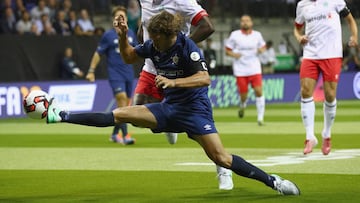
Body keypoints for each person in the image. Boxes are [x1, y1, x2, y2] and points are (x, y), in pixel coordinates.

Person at [46, 11, 300, 196]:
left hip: (195, 111)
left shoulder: (187, 47)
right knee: (120, 114)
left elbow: (204, 78)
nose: (152, 41)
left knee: (221, 157)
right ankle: (62, 115)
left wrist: (173, 82)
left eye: (156, 37)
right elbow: (127, 57)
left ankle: (274, 182)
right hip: (168, 108)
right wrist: (123, 36)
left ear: (169, 35)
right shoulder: (154, 44)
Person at [137, 0, 233, 191]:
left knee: (201, 128)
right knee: (137, 114)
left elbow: (208, 26)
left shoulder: (182, 1)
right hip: (152, 67)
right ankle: (170, 119)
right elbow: (143, 27)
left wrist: (182, 47)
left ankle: (223, 169)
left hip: (180, 68)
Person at [294, 0, 358, 155]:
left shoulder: (335, 1)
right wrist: (298, 37)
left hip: (332, 54)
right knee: (305, 91)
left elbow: (350, 20)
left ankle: (326, 134)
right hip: (310, 54)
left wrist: (354, 36)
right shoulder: (302, 5)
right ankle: (310, 137)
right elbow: (296, 28)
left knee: (330, 95)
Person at [85, 6, 138, 145]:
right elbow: (98, 53)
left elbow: (137, 52)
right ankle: (126, 136)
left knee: (125, 105)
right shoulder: (108, 35)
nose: (121, 19)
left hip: (128, 74)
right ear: (113, 20)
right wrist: (91, 71)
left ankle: (114, 134)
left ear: (126, 19)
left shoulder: (131, 34)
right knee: (121, 101)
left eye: (123, 17)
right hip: (115, 74)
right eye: (118, 17)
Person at [225, 15, 266, 126]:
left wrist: (261, 50)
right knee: (244, 94)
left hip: (254, 67)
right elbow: (227, 50)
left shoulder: (257, 35)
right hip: (240, 69)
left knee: (258, 91)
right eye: (243, 21)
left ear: (251, 23)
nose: (245, 23)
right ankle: (243, 105)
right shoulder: (235, 35)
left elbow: (263, 46)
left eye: (247, 20)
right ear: (240, 23)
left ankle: (260, 118)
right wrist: (234, 54)